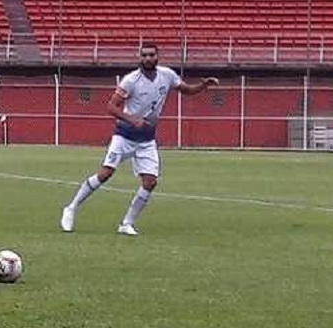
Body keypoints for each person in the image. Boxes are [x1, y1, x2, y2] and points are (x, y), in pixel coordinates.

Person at [60, 43, 220, 236]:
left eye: (151, 55)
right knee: (105, 173)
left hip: (146, 140)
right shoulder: (131, 81)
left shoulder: (167, 75)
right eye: (144, 55)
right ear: (139, 57)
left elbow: (186, 90)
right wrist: (131, 119)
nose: (148, 58)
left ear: (157, 56)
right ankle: (71, 208)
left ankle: (126, 223)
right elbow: (111, 106)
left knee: (150, 182)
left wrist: (203, 86)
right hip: (124, 136)